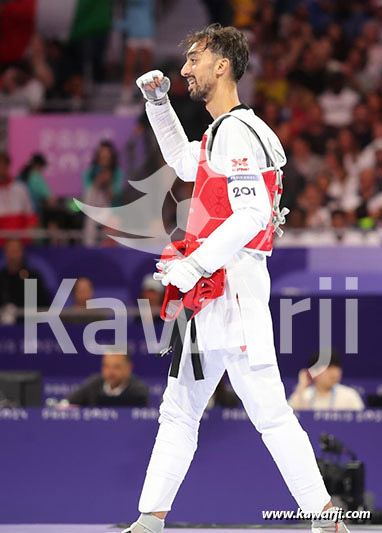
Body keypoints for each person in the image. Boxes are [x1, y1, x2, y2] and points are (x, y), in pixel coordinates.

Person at [127, 24, 349, 533]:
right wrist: (159, 106)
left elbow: (250, 217)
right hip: (218, 294)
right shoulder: (221, 131)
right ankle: (150, 519)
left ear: (221, 65)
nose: (185, 69)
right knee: (187, 409)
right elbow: (187, 165)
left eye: (194, 59)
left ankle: (325, 517)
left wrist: (193, 263)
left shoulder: (237, 131)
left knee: (258, 413)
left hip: (231, 290)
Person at [67, 350, 149, 407]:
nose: (110, 372)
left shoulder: (138, 392)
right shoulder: (93, 384)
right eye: (106, 366)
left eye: (116, 367)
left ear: (128, 367)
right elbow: (68, 403)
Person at [289, 351, 364, 411]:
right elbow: (289, 418)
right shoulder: (304, 395)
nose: (334, 373)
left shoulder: (349, 395)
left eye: (337, 367)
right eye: (329, 368)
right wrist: (301, 386)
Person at [0, 239, 50, 322]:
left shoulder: (32, 277)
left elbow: (43, 307)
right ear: (6, 253)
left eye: (17, 251)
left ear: (22, 252)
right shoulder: (1, 277)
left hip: (28, 327)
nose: (14, 255)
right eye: (11, 251)